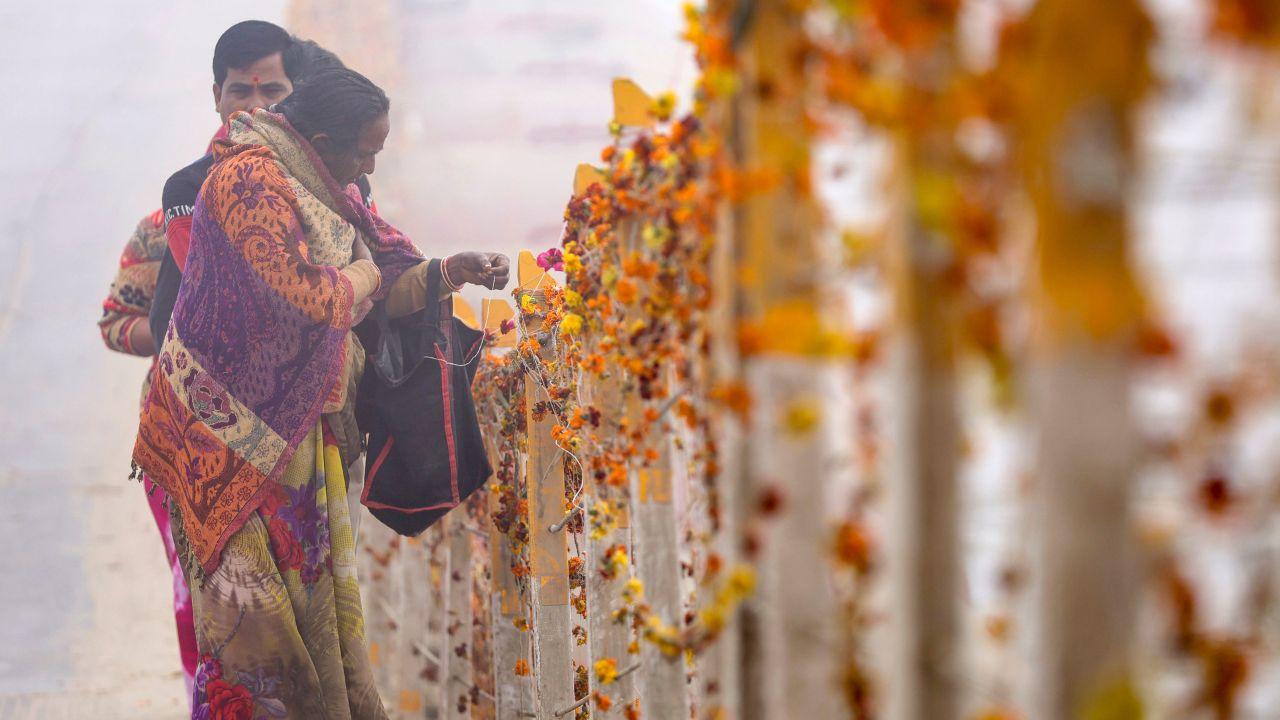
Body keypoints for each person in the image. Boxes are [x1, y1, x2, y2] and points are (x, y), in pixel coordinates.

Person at [133, 67, 509, 719]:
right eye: (363, 150)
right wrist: (361, 275)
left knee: (316, 624)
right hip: (231, 448)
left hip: (300, 437)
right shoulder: (249, 178)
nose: (367, 165)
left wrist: (450, 272)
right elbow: (312, 297)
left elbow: (381, 285)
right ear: (325, 139)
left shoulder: (327, 185)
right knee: (260, 640)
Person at [99, 22, 362, 706]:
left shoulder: (325, 202)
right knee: (219, 622)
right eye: (237, 90)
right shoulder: (178, 202)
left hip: (300, 446)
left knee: (309, 626)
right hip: (196, 445)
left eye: (269, 89)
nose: (251, 102)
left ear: (293, 95)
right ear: (215, 96)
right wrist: (185, 345)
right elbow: (120, 320)